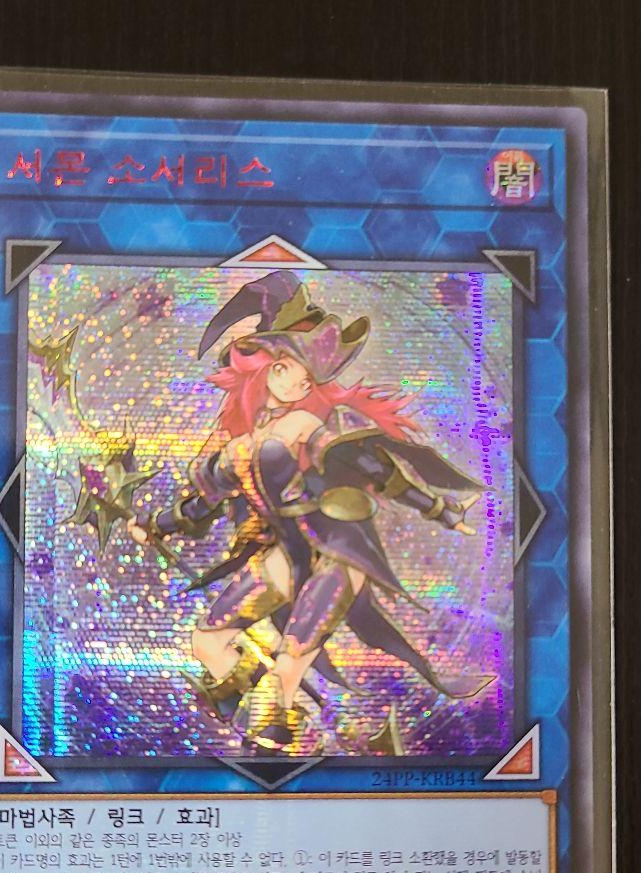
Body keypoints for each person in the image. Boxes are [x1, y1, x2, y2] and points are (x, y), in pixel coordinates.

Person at [129, 271, 492, 755]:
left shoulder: (304, 423)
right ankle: (271, 714)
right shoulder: (236, 451)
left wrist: (440, 509)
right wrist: (153, 527)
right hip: (286, 554)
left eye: (307, 377)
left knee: (287, 664)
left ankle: (275, 727)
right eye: (290, 370)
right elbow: (200, 507)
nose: (301, 383)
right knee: (207, 643)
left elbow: (372, 467)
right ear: (266, 367)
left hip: (334, 556)